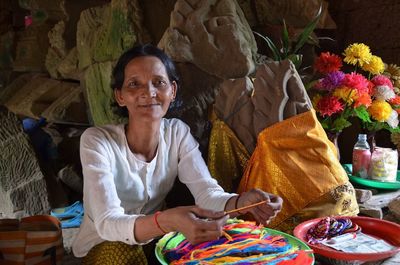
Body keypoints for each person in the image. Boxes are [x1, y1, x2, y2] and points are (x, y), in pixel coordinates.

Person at [72, 43, 283, 264]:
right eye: (134, 84)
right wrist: (168, 221)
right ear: (120, 96)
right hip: (101, 249)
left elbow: (207, 194)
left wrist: (241, 202)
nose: (149, 92)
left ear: (172, 91)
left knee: (219, 246)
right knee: (123, 253)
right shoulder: (97, 141)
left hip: (154, 240)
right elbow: (107, 223)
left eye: (159, 82)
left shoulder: (176, 133)